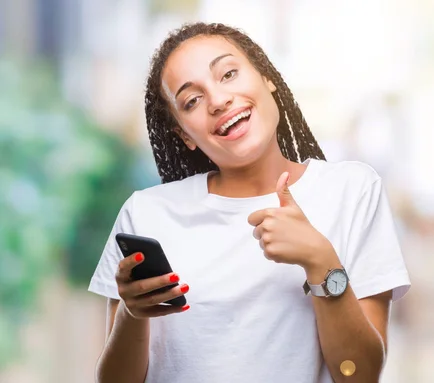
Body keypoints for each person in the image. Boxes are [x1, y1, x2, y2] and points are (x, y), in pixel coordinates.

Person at [88, 22, 410, 383]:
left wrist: (321, 261)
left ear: (266, 77)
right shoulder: (147, 214)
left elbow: (359, 375)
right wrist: (133, 314)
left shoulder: (352, 191)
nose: (218, 100)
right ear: (184, 135)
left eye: (228, 74)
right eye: (192, 100)